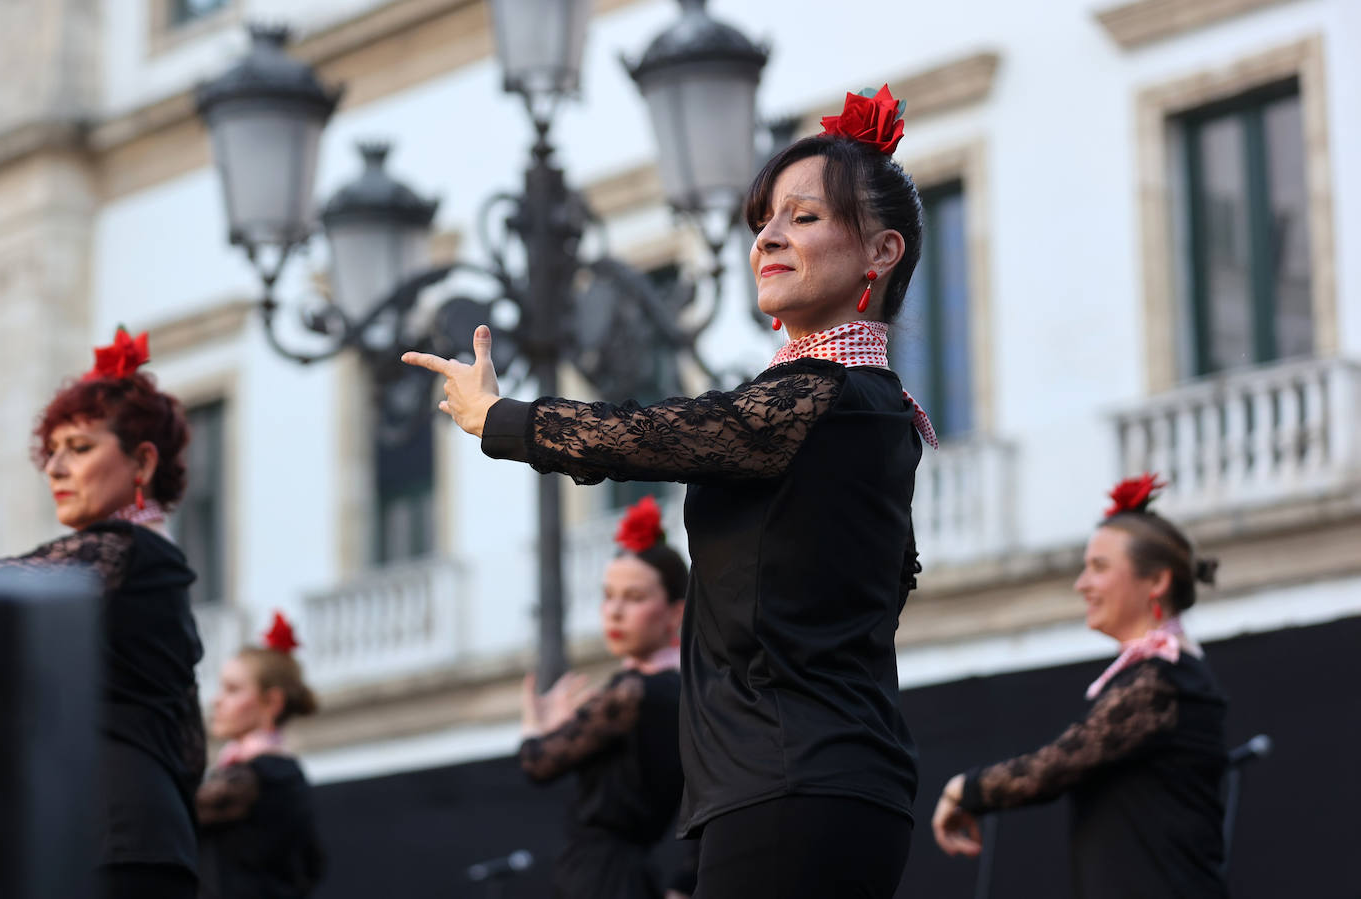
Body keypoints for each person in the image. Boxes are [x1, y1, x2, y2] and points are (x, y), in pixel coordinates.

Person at [405, 84, 931, 898]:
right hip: (816, 782)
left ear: (882, 252)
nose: (768, 237)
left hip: (794, 784)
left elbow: (655, 432)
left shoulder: (821, 398)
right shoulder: (873, 409)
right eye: (764, 218)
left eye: (804, 217)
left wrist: (499, 418)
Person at [931, 474, 1229, 899]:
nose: (1082, 584)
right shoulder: (1164, 675)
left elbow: (1057, 766)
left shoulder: (1161, 682)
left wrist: (965, 789)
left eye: (1099, 567)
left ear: (1157, 581)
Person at [0, 327, 205, 898]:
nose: (55, 469)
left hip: (110, 841)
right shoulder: (151, 568)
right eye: (52, 452)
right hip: (140, 840)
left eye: (80, 448)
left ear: (142, 462)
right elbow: (189, 750)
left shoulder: (123, 552)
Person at [518, 496, 695, 899]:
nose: (613, 612)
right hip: (629, 876)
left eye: (633, 598)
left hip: (599, 877)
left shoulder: (630, 694)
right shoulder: (684, 693)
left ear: (674, 613)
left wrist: (536, 725)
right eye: (608, 596)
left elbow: (536, 763)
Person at [196, 612, 324, 899]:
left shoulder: (252, 777)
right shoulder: (282, 773)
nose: (217, 700)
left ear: (272, 702)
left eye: (233, 689)